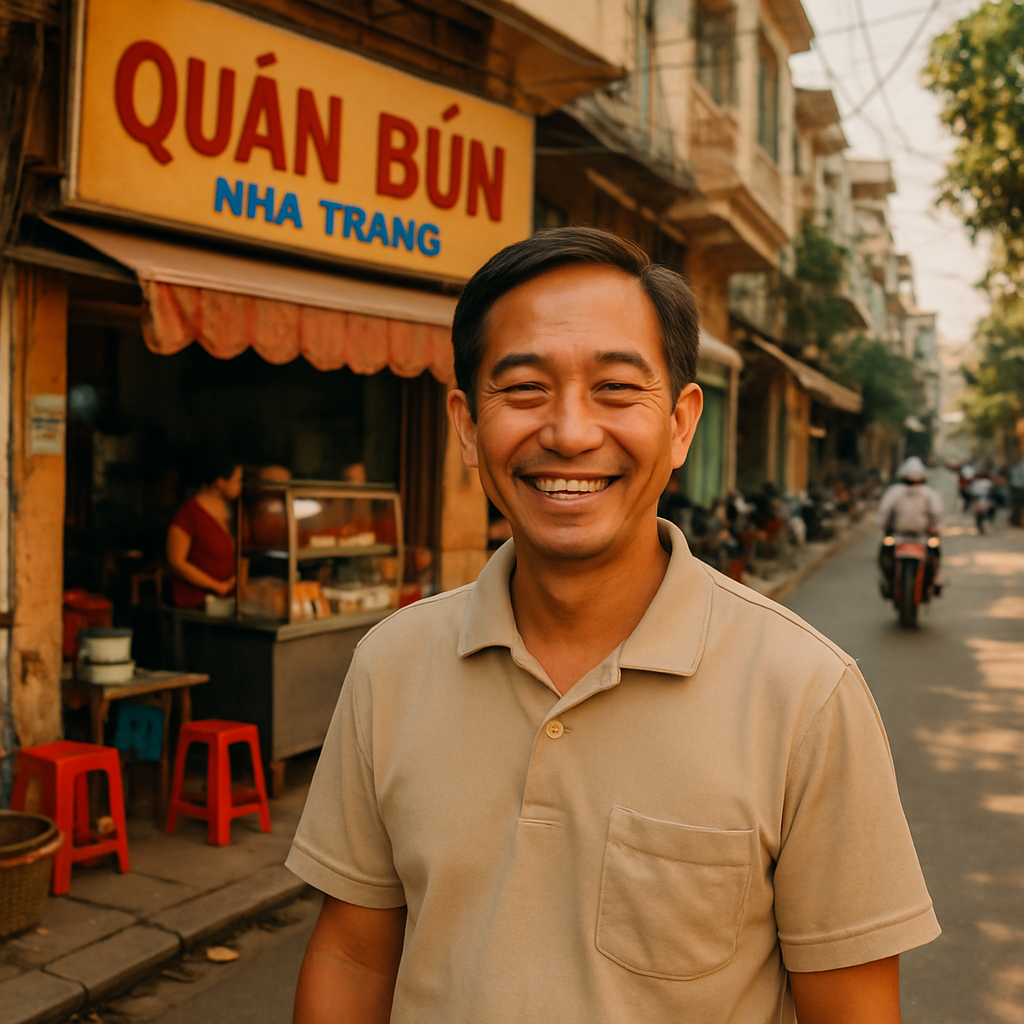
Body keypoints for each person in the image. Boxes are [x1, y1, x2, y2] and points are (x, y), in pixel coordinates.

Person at [287, 228, 939, 1024]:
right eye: (524, 388)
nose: (568, 432)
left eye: (616, 390)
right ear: (465, 424)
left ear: (679, 424)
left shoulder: (806, 696)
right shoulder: (390, 665)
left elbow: (854, 1010)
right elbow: (351, 955)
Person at [166, 451, 242, 608]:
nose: (240, 486)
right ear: (220, 482)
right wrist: (216, 586)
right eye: (237, 481)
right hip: (196, 603)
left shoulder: (233, 511)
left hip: (227, 602)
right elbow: (175, 561)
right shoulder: (189, 513)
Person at [876, 456, 943, 597]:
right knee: (885, 555)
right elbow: (937, 514)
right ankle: (888, 582)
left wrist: (936, 528)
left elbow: (883, 511)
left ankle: (932, 582)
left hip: (922, 538)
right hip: (899, 537)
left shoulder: (896, 491)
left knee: (934, 555)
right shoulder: (927, 493)